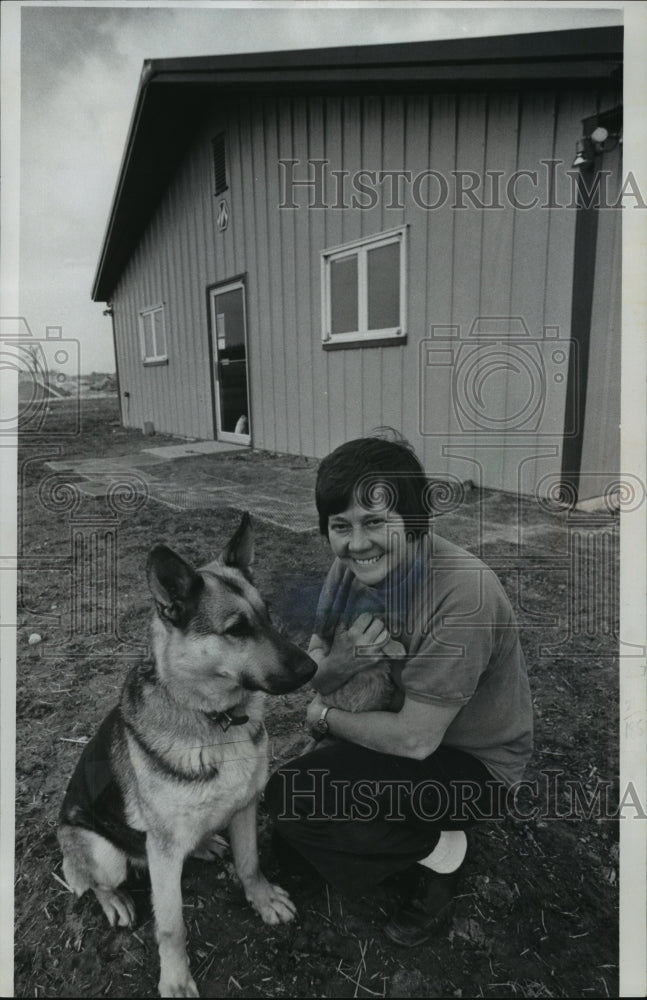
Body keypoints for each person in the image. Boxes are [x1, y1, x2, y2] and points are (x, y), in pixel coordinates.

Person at [265, 435, 533, 946]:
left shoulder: (464, 596)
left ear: (413, 519)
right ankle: (391, 832)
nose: (356, 543)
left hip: (469, 762)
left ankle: (442, 851)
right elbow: (315, 669)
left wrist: (322, 720)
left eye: (374, 522)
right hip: (389, 723)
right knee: (289, 810)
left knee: (298, 799)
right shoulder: (350, 568)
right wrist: (340, 662)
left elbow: (416, 741)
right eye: (340, 527)